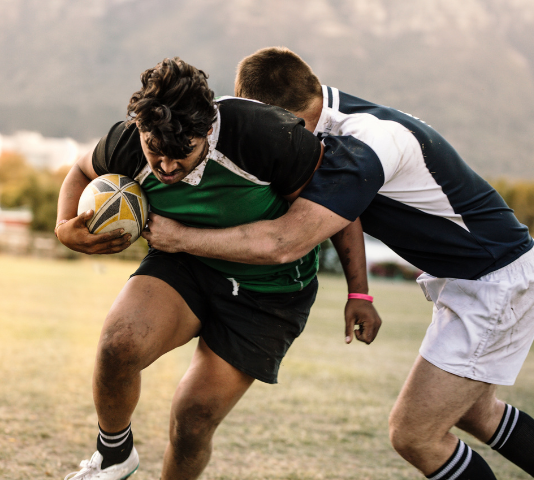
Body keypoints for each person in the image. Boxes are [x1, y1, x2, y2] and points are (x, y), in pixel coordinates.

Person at [143, 47, 534, 480]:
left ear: (272, 114)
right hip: (479, 278)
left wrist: (179, 238)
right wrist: (360, 291)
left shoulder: (366, 141)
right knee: (477, 414)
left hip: (494, 282)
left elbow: (284, 242)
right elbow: (352, 208)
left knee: (415, 435)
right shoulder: (335, 125)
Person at [55, 56, 381, 480]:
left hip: (269, 291)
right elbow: (81, 170)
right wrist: (65, 230)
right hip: (185, 265)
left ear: (208, 129)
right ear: (140, 128)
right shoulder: (129, 141)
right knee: (118, 344)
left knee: (192, 418)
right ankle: (114, 455)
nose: (167, 167)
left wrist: (359, 293)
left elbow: (340, 205)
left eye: (181, 154)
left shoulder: (264, 135)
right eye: (156, 152)